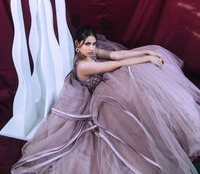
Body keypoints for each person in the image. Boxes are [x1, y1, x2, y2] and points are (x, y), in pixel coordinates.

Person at [11, 26, 200, 174]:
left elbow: (116, 54)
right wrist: (145, 60)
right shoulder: (83, 65)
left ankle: (170, 125)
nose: (92, 48)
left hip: (106, 84)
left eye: (93, 44)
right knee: (129, 97)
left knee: (147, 70)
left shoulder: (90, 53)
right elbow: (116, 64)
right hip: (95, 97)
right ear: (78, 45)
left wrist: (147, 54)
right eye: (87, 44)